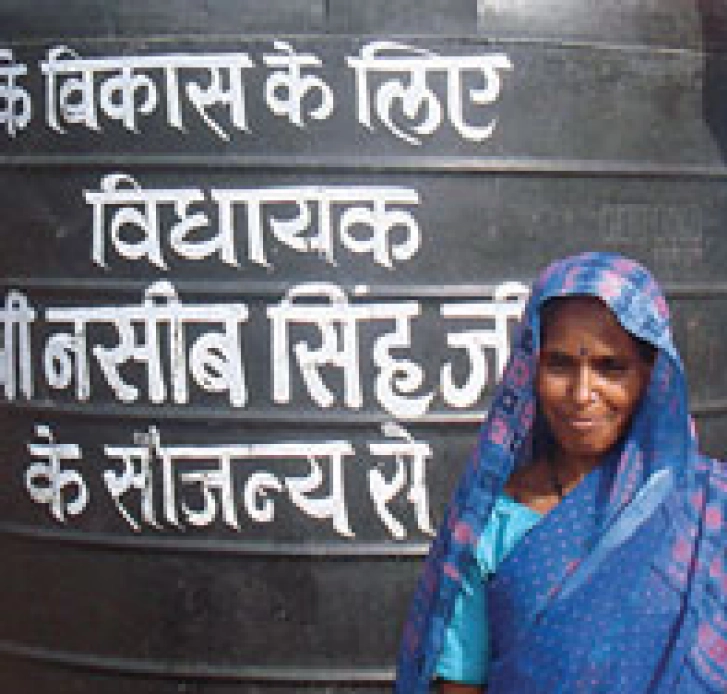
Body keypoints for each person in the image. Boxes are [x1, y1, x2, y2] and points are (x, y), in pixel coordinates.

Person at [395, 252, 727, 693]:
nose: (582, 393)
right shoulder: (493, 521)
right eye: (560, 364)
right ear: (530, 370)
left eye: (610, 367)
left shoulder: (705, 512)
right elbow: (463, 683)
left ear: (651, 374)